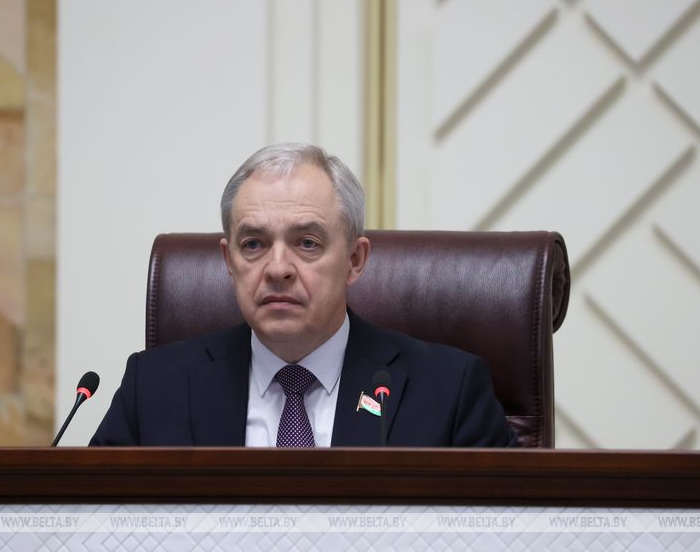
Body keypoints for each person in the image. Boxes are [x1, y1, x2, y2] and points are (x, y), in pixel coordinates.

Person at [90, 143, 516, 447]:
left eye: (307, 243)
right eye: (253, 244)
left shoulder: (450, 391)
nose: (278, 269)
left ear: (354, 260)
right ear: (228, 260)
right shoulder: (154, 389)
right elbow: (92, 526)